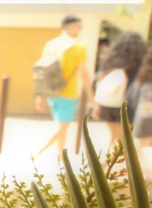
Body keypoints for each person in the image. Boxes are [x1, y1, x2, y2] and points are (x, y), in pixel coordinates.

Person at [33, 15, 89, 160]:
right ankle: (38, 151)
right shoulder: (78, 47)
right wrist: (91, 95)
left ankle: (60, 159)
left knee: (61, 127)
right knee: (62, 128)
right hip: (68, 93)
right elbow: (83, 73)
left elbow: (42, 72)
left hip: (52, 92)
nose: (79, 30)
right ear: (71, 27)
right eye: (79, 27)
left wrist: (40, 96)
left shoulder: (51, 45)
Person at [92, 31, 143, 147]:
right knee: (124, 140)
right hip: (127, 105)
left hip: (108, 103)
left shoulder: (110, 60)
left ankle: (107, 163)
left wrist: (96, 104)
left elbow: (101, 81)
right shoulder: (139, 62)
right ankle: (113, 163)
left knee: (114, 137)